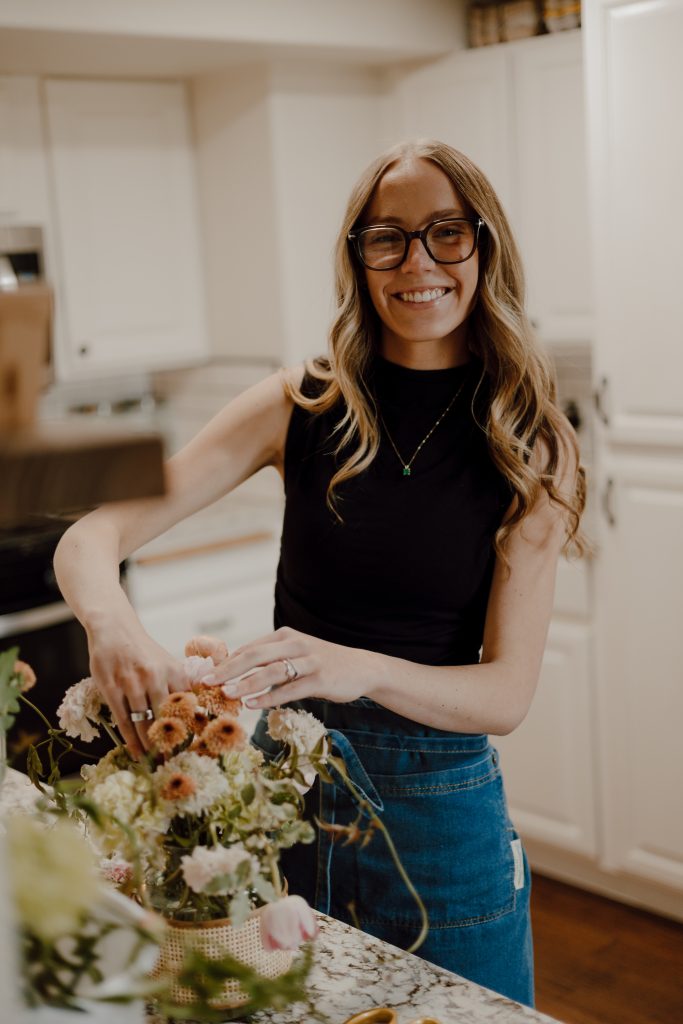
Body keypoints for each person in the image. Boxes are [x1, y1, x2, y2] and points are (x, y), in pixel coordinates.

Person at [54, 138, 586, 1007]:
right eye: (387, 238)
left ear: (483, 245)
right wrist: (111, 625)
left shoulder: (530, 442)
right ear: (358, 257)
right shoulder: (301, 403)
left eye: (446, 232)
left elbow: (505, 695)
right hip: (286, 799)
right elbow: (94, 534)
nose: (417, 262)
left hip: (440, 818)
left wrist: (357, 667)